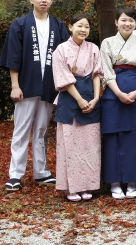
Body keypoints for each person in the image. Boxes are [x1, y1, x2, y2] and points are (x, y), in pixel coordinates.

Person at [0, 0, 70, 193]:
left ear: (52, 1)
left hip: (49, 85)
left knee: (41, 130)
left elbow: (65, 55)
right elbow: (13, 56)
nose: (44, 0)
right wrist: (15, 85)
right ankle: (15, 174)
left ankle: (42, 172)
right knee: (21, 130)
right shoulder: (19, 25)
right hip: (26, 85)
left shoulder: (58, 26)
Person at [100, 8, 136, 199]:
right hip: (113, 96)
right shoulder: (107, 43)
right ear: (116, 22)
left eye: (131, 21)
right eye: (123, 20)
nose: (127, 24)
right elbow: (107, 72)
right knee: (113, 139)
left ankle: (132, 181)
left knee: (135, 140)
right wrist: (118, 93)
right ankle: (114, 183)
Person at [52, 14, 103, 202]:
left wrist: (96, 97)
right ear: (70, 26)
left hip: (91, 97)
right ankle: (71, 187)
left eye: (87, 27)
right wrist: (80, 100)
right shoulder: (61, 50)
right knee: (70, 146)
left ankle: (87, 185)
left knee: (90, 146)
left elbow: (97, 74)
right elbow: (63, 79)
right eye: (80, 26)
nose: (83, 30)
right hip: (70, 98)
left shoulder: (93, 48)